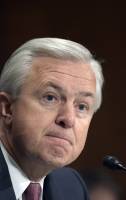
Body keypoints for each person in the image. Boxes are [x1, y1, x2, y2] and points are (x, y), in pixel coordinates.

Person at [0, 38, 104, 200]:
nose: (68, 119)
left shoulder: (71, 186)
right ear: (7, 108)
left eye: (82, 106)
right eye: (50, 98)